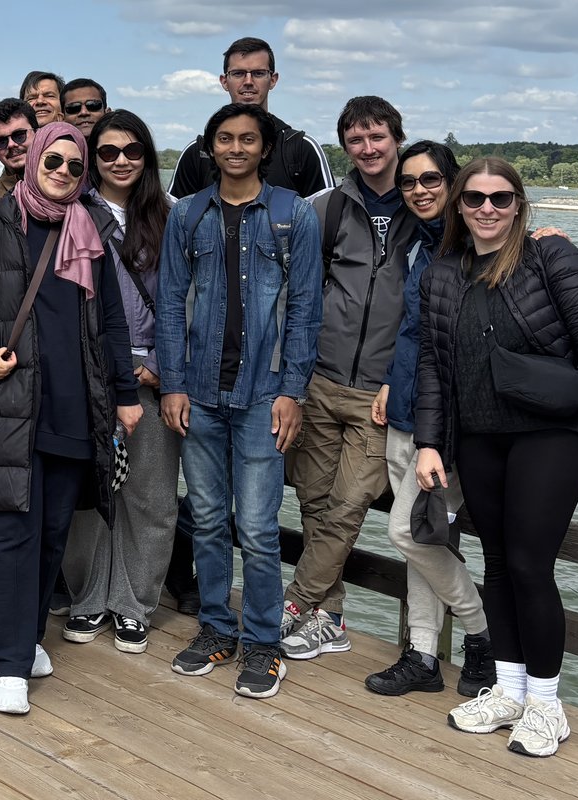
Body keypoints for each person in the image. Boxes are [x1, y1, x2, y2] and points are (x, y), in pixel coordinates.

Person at [418, 157, 578, 758]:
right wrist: (429, 441)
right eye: (475, 199)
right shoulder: (441, 274)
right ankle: (509, 690)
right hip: (480, 437)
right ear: (458, 206)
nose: (488, 209)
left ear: (520, 205)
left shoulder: (551, 257)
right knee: (495, 565)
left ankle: (546, 703)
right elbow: (434, 367)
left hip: (550, 434)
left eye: (502, 198)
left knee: (530, 566)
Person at [0, 121, 140, 714]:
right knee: (12, 533)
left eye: (74, 167)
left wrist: (126, 393)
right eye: (52, 161)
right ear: (32, 160)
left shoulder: (92, 229)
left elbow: (111, 321)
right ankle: (7, 664)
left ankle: (26, 639)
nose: (62, 172)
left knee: (54, 533)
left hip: (73, 406)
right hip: (9, 405)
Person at [162, 36, 334, 617]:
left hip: (265, 394)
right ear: (211, 148)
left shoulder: (294, 214)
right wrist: (173, 384)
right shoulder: (186, 214)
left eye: (247, 140)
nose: (236, 148)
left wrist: (293, 391)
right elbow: (169, 301)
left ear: (265, 148)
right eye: (225, 139)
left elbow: (307, 307)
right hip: (200, 391)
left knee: (259, 531)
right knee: (209, 521)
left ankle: (261, 638)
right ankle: (214, 625)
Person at [279, 95, 412, 660]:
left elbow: (486, 237)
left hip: (380, 394)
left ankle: (292, 602)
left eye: (377, 137)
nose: (368, 149)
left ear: (397, 138)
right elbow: (292, 288)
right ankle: (327, 619)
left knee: (348, 505)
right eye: (356, 140)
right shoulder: (324, 208)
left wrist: (537, 233)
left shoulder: (426, 202)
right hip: (320, 380)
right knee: (313, 501)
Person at [362, 140, 494, 697]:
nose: (419, 189)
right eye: (410, 181)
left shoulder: (481, 246)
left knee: (407, 532)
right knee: (422, 535)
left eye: (431, 179)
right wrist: (392, 381)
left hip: (445, 424)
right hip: (405, 409)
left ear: (454, 183)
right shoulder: (420, 243)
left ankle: (485, 633)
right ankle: (422, 654)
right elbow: (414, 328)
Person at [60, 110, 180, 655]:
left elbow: (186, 302)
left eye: (132, 151)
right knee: (88, 494)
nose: (121, 161)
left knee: (150, 496)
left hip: (152, 376)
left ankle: (135, 605)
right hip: (89, 373)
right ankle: (87, 596)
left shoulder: (172, 217)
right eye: (107, 152)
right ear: (92, 160)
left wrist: (161, 363)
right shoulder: (70, 215)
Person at [169, 37, 333, 199]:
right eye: (238, 73)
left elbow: (326, 217)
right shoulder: (198, 152)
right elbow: (173, 219)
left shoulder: (302, 149)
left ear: (273, 80)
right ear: (225, 81)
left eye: (258, 73)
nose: (248, 81)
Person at [0, 99, 37, 199]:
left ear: (38, 134)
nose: (11, 144)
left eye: (19, 135)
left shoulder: (63, 177)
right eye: (1, 141)